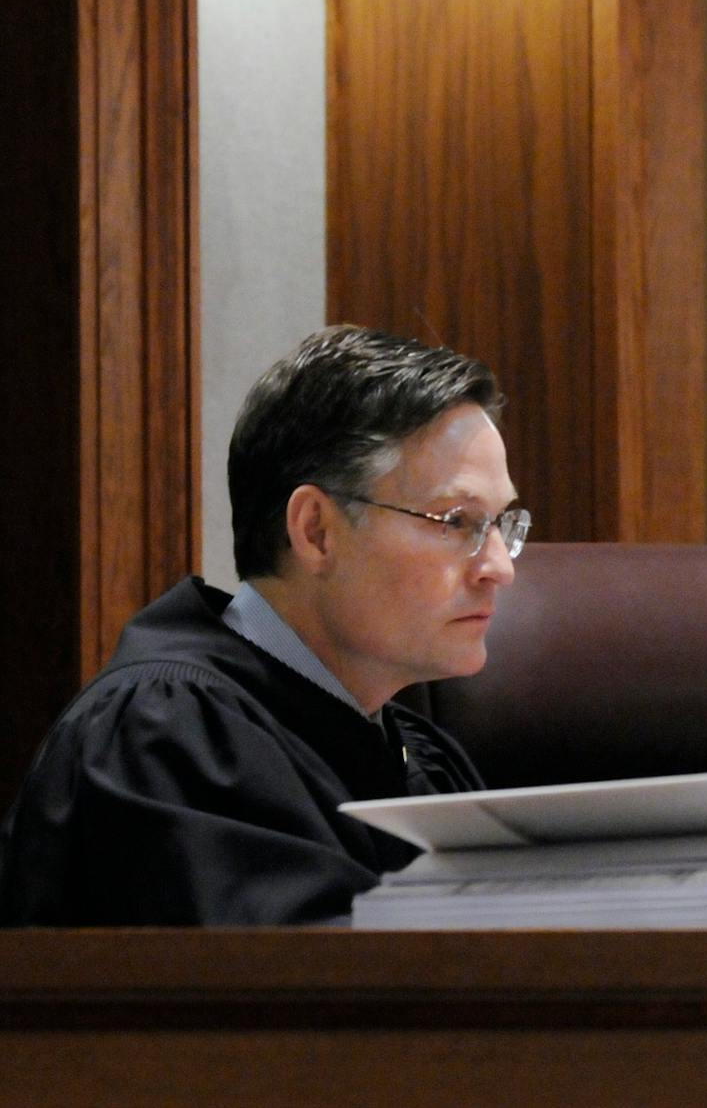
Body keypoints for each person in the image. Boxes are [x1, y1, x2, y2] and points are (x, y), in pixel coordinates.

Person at [0, 326, 527, 925]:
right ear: (316, 531)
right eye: (457, 521)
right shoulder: (167, 735)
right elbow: (301, 1001)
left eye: (502, 523)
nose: (499, 568)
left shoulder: (418, 752)